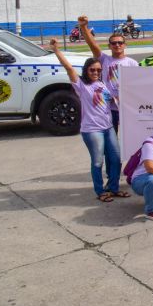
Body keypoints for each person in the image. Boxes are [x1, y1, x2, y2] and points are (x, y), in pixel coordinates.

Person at [49, 39, 127, 203]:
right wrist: (56, 51)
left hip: (108, 127)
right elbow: (69, 68)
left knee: (116, 159)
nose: (96, 72)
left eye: (98, 70)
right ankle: (100, 191)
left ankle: (113, 188)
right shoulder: (81, 85)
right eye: (92, 70)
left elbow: (109, 100)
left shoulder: (102, 84)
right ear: (86, 70)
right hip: (92, 130)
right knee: (98, 161)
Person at [80, 15, 139, 133]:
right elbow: (93, 45)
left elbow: (137, 86)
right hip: (108, 107)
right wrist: (83, 27)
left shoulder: (132, 63)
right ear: (109, 46)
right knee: (112, 140)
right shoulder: (104, 60)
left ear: (125, 45)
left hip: (127, 107)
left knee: (130, 138)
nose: (117, 45)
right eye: (114, 43)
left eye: (120, 43)